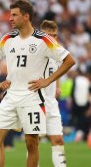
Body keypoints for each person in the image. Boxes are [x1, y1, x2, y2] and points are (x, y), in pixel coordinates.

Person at [0, 0, 75, 167]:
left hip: (32, 98)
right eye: (10, 15)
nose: (10, 18)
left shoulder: (43, 39)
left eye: (14, 15)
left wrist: (48, 81)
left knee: (31, 143)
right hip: (10, 96)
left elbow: (69, 60)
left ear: (26, 17)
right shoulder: (7, 38)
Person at [40, 20, 67, 166]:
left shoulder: (57, 51)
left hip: (51, 102)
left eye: (55, 36)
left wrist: (57, 85)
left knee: (58, 140)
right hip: (35, 103)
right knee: (34, 142)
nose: (53, 39)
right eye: (49, 35)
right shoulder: (34, 50)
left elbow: (58, 70)